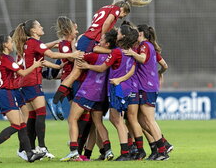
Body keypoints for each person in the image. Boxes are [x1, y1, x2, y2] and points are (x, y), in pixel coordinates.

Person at [53, 0, 152, 105]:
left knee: (77, 74)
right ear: (123, 9)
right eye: (124, 14)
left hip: (86, 38)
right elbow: (106, 23)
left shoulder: (104, 8)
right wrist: (102, 38)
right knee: (75, 74)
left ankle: (60, 100)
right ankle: (56, 101)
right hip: (90, 40)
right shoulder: (116, 10)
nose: (121, 17)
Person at [12, 20, 83, 159]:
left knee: (32, 117)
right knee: (41, 114)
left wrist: (57, 66)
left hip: (24, 83)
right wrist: (71, 55)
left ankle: (30, 149)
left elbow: (45, 52)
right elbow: (52, 54)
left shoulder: (27, 43)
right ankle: (42, 147)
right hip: (32, 83)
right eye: (39, 26)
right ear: (33, 31)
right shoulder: (35, 43)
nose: (42, 27)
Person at [77, 25, 139, 161]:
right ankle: (130, 149)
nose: (117, 33)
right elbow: (133, 69)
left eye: (119, 32)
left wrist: (87, 66)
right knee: (116, 119)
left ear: (122, 36)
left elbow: (102, 68)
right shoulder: (130, 51)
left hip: (117, 88)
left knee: (117, 120)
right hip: (127, 87)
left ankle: (125, 152)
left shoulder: (117, 52)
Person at [0, 35, 46, 162]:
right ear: (5, 45)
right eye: (10, 41)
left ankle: (29, 154)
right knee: (17, 125)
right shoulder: (6, 58)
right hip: (6, 93)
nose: (12, 43)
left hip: (6, 93)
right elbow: (23, 73)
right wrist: (35, 65)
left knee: (22, 124)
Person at [60, 29, 118, 161]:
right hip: (101, 95)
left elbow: (76, 56)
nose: (99, 41)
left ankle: (74, 151)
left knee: (72, 119)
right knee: (98, 123)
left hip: (87, 92)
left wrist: (75, 45)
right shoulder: (113, 57)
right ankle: (108, 151)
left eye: (102, 40)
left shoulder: (94, 56)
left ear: (107, 44)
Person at [122, 24, 170, 160]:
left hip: (147, 87)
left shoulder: (144, 45)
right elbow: (164, 65)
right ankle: (158, 149)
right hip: (146, 86)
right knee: (143, 121)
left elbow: (142, 58)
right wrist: (159, 73)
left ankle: (162, 151)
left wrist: (132, 53)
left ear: (141, 33)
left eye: (137, 32)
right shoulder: (149, 46)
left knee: (149, 120)